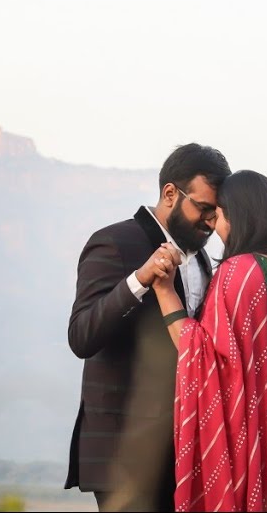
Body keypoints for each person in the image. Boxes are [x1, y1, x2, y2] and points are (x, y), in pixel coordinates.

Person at [151, 169, 267, 511]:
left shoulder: (244, 271)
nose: (214, 226)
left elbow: (202, 352)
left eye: (217, 215)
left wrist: (164, 291)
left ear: (237, 216)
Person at [65, 143, 232, 512]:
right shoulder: (113, 242)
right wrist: (138, 280)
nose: (210, 222)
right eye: (203, 208)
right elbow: (81, 336)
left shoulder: (204, 258)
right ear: (170, 193)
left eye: (216, 213)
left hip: (186, 453)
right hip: (123, 452)